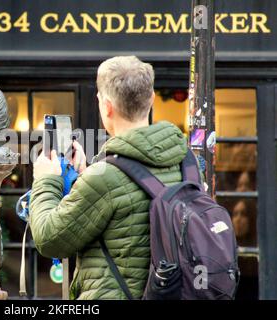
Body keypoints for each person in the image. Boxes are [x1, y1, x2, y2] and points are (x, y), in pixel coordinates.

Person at [29, 56, 191, 300]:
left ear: (106, 106)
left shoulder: (105, 177)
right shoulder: (186, 159)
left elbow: (49, 239)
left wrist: (45, 180)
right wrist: (85, 177)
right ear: (152, 99)